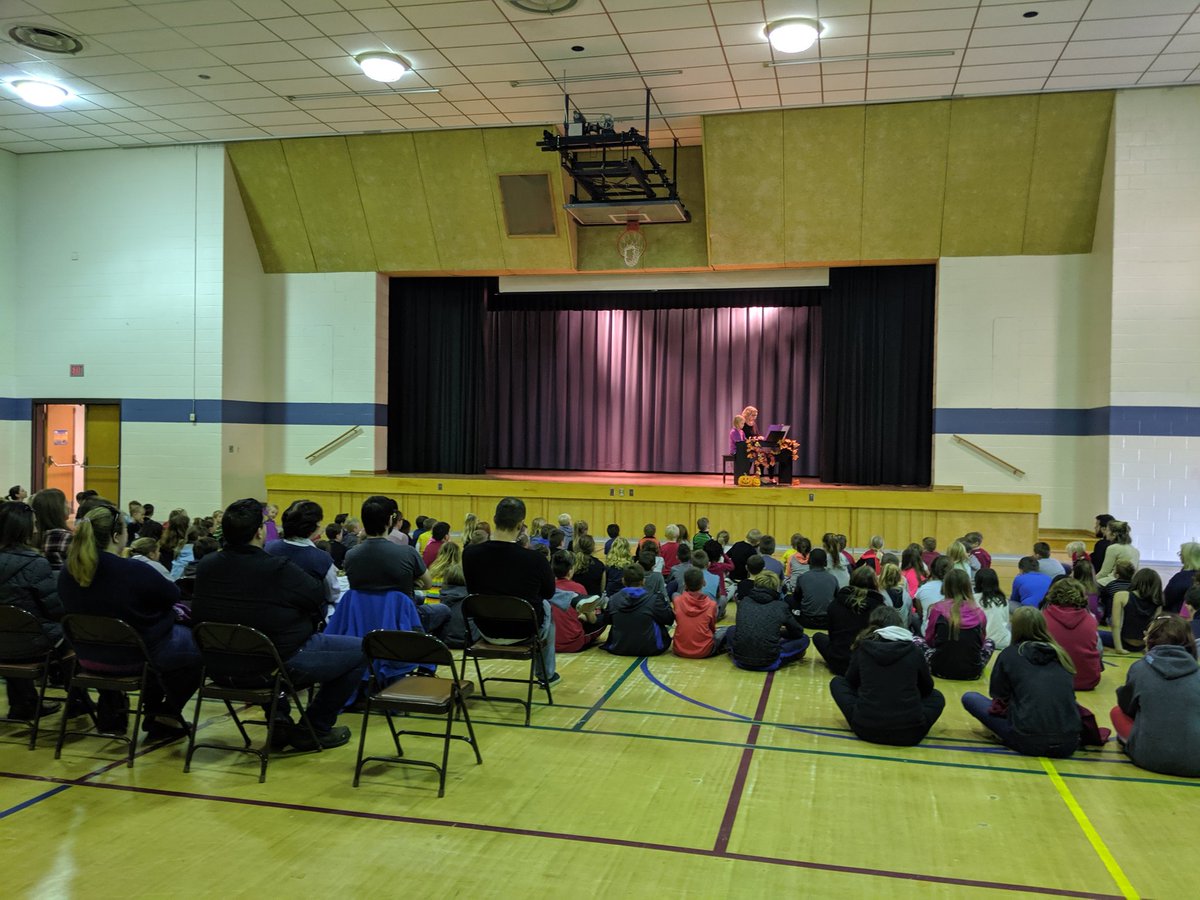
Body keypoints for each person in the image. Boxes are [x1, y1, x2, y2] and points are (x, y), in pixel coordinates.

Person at [193, 499, 366, 750]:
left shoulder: (207, 565)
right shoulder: (278, 568)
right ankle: (314, 727)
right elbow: (317, 596)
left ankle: (280, 718)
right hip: (272, 664)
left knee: (261, 643)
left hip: (218, 665)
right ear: (258, 532)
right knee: (362, 650)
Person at [57, 499, 200, 739]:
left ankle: (154, 710)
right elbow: (172, 594)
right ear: (116, 536)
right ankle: (164, 713)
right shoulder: (133, 570)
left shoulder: (67, 572)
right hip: (134, 658)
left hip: (87, 658)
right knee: (199, 648)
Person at [961, 607, 1080, 758]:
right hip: (1069, 743)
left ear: (1015, 628)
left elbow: (998, 694)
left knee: (971, 698)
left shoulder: (1010, 654)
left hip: (1028, 741)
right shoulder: (1062, 655)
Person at [462, 497, 557, 683]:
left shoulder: (469, 554)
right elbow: (549, 593)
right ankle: (547, 675)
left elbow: (472, 589)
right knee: (547, 605)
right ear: (521, 525)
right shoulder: (535, 559)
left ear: (494, 519)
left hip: (485, 628)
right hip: (525, 631)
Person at [830, 606, 944, 746]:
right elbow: (927, 688)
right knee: (937, 697)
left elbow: (850, 682)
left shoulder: (864, 648)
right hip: (911, 733)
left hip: (865, 728)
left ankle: (870, 712)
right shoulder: (914, 650)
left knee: (837, 682)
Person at [343, 496, 449, 641]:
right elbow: (427, 584)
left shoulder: (351, 555)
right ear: (390, 521)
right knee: (444, 610)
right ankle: (427, 656)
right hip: (403, 619)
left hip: (364, 619)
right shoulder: (407, 553)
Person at [1110, 614, 1200, 778]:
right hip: (1196, 764)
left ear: (1151, 639)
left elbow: (1126, 708)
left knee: (1116, 712)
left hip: (1148, 758)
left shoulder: (1139, 668)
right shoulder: (1197, 673)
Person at [0, 500, 66, 719]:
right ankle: (78, 700)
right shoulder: (36, 563)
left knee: (11, 631)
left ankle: (25, 703)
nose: (37, 529)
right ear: (23, 528)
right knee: (77, 636)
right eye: (34, 524)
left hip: (5, 640)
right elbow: (55, 610)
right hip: (32, 643)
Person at [265, 500, 341, 609]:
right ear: (314, 527)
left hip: (272, 611)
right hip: (307, 617)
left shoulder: (269, 548)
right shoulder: (321, 558)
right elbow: (333, 595)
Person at [727, 570, 808, 671]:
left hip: (740, 660)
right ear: (776, 588)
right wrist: (780, 633)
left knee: (731, 630)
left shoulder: (744, 602)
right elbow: (798, 632)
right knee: (804, 638)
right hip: (769, 662)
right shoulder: (781, 606)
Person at [922, 569, 994, 680]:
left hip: (939, 670)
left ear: (945, 586)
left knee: (915, 641)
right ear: (968, 587)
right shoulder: (979, 612)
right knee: (990, 642)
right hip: (972, 672)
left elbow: (929, 640)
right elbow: (981, 643)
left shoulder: (937, 609)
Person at [813, 566, 886, 676]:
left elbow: (832, 636)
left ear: (851, 581)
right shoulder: (880, 607)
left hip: (839, 662)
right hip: (866, 666)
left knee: (818, 637)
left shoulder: (835, 604)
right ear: (875, 584)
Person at [598, 565, 673, 657]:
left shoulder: (613, 599)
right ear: (643, 581)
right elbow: (669, 619)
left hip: (619, 647)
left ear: (623, 581)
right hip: (651, 648)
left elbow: (607, 620)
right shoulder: (654, 599)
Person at [1041, 578, 1101, 691]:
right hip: (1088, 680)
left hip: (1051, 680)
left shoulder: (1043, 617)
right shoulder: (1090, 619)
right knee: (1098, 643)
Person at [548, 551, 604, 653]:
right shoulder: (578, 588)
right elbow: (592, 620)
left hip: (549, 643)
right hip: (573, 644)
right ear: (570, 570)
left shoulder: (547, 588)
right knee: (602, 618)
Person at [672, 568, 730, 658]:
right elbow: (712, 628)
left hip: (679, 649)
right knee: (727, 630)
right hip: (704, 651)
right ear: (704, 582)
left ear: (685, 584)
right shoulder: (711, 605)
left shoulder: (677, 601)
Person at [1107, 568, 1164, 653]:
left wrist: (1119, 648)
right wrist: (1148, 648)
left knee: (1096, 634)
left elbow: (1115, 625)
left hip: (1123, 642)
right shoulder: (1157, 601)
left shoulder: (1121, 595)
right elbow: (1155, 629)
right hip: (1143, 645)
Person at [792, 547, 839, 629]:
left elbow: (797, 598)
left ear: (809, 561)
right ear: (825, 563)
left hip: (806, 621)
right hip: (827, 622)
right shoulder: (833, 579)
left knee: (788, 599)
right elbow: (837, 599)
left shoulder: (803, 577)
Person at [31, 488, 72, 572]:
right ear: (56, 508)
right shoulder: (65, 537)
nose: (69, 506)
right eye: (66, 502)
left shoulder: (32, 536)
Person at [974, 568, 1011, 652]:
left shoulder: (972, 599)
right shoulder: (1003, 599)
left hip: (981, 642)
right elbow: (1005, 621)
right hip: (1002, 642)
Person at [1096, 521, 1139, 586]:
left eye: (1107, 530)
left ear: (1114, 534)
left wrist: (1091, 581)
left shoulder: (1113, 548)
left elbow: (1104, 572)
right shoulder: (1136, 551)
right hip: (1130, 584)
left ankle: (1092, 596)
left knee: (1089, 589)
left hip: (1113, 581)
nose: (1106, 533)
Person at [1164, 541, 1200, 615]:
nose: (1180, 556)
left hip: (1181, 620)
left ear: (1187, 557)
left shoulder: (1181, 578)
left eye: (1181, 554)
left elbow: (1166, 600)